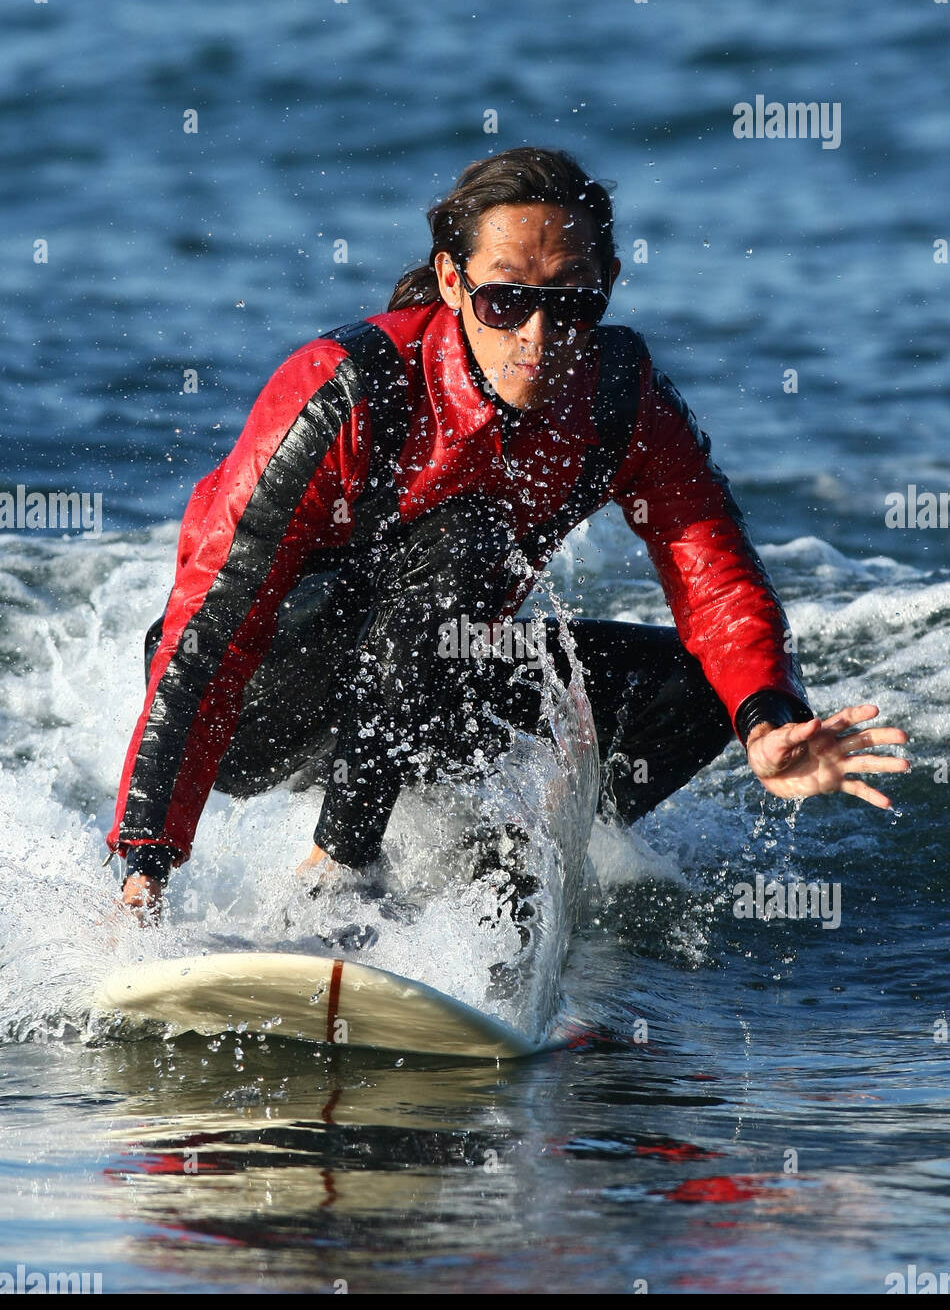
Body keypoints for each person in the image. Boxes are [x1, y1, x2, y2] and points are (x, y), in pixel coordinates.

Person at [109, 146, 908, 919]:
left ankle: (507, 866)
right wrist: (145, 868)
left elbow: (714, 577)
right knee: (465, 544)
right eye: (505, 301)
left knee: (697, 689)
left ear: (607, 290)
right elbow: (212, 630)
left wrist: (765, 722)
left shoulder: (619, 401)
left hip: (423, 682)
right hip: (266, 701)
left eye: (571, 302)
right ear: (454, 284)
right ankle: (339, 868)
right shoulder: (346, 389)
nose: (537, 334)